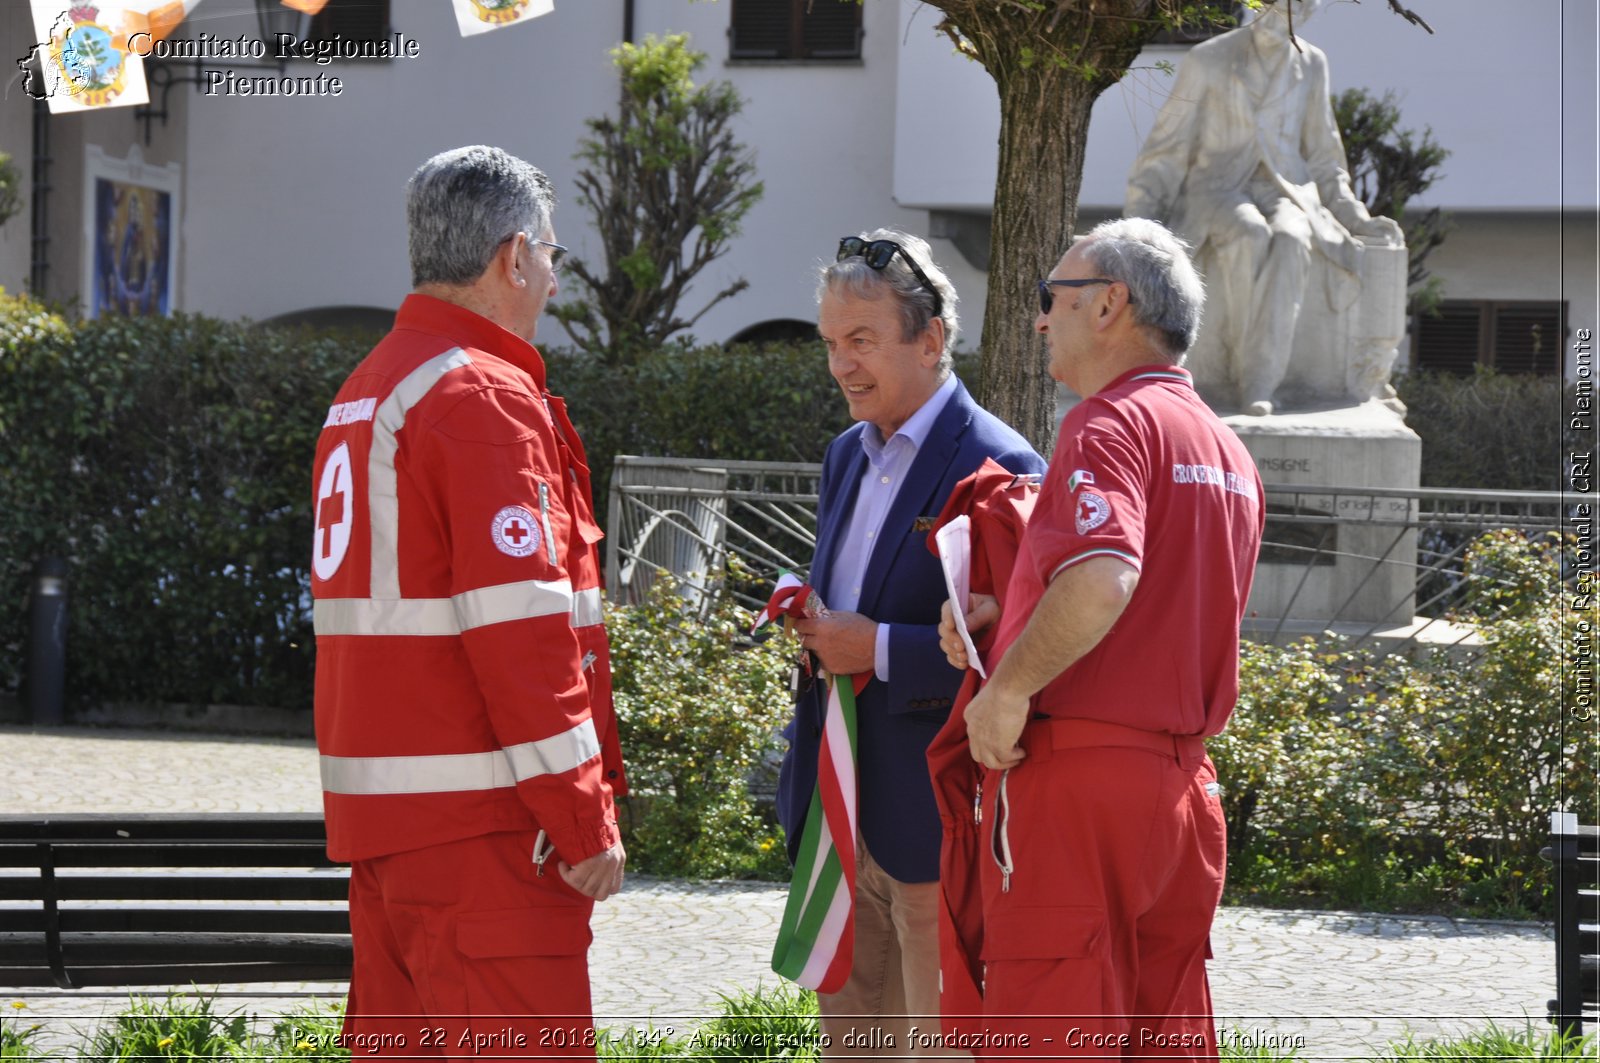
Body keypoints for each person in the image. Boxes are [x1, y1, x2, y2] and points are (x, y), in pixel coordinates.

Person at [310, 145, 626, 1059]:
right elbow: (522, 633)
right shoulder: (479, 394)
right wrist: (581, 813)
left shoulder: (367, 389)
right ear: (512, 256)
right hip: (488, 838)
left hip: (392, 838)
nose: (556, 281)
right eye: (554, 256)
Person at [938, 218, 1263, 1057]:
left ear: (1111, 304)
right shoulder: (1226, 448)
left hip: (1080, 787)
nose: (1041, 318)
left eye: (1053, 297)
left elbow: (1105, 576)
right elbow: (1164, 602)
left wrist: (1005, 689)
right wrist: (1007, 618)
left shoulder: (1107, 423)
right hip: (1183, 791)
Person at [777, 229, 1045, 1056]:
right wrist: (813, 620)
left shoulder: (999, 461)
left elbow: (1020, 662)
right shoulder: (843, 457)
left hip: (937, 829)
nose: (840, 365)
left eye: (861, 340)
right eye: (829, 343)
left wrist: (879, 648)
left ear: (930, 339)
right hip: (840, 819)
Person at [1125, 0, 1402, 415]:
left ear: (1307, 15)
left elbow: (1325, 156)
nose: (1280, 18)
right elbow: (1169, 145)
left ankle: (1261, 380)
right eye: (1272, 7)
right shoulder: (1210, 57)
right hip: (1216, 187)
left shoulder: (1311, 63)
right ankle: (1239, 371)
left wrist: (1355, 217)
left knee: (1292, 238)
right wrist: (1139, 217)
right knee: (1249, 234)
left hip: (1287, 188)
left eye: (1295, 11)